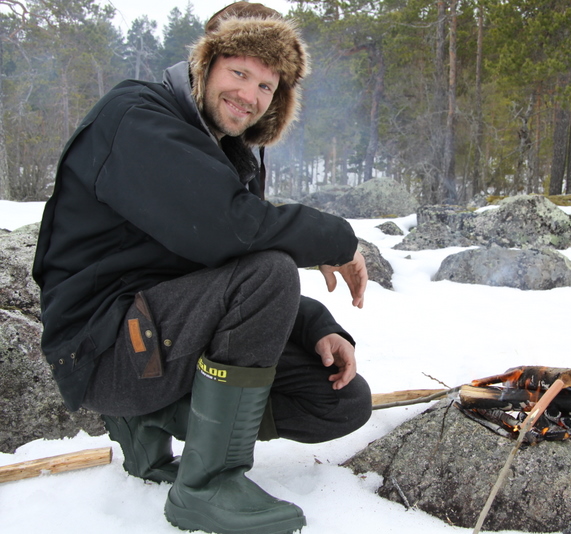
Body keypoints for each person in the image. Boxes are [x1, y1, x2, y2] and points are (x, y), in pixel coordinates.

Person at [31, 3, 371, 533]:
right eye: (239, 72)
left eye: (266, 85)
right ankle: (207, 487)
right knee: (272, 269)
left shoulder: (231, 151)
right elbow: (228, 232)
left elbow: (227, 269)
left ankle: (145, 419)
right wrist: (336, 240)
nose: (249, 95)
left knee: (339, 399)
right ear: (203, 64)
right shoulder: (136, 117)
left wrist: (314, 325)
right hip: (103, 346)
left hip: (166, 330)